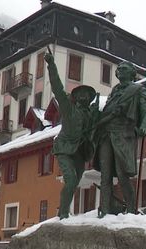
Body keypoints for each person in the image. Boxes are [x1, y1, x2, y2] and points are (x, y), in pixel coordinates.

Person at [94, 62, 146, 216]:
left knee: (123, 175)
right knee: (105, 175)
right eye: (118, 69)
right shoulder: (114, 91)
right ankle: (105, 210)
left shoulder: (138, 90)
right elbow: (107, 112)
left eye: (124, 69)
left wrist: (145, 126)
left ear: (132, 73)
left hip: (124, 134)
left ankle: (131, 210)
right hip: (106, 135)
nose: (120, 70)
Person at [45, 52, 99, 219]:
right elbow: (57, 88)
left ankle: (64, 210)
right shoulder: (69, 109)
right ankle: (62, 214)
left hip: (80, 153)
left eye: (87, 95)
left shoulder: (92, 113)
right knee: (70, 181)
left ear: (90, 98)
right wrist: (51, 65)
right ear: (75, 98)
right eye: (80, 94)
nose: (84, 96)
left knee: (74, 183)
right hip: (65, 148)